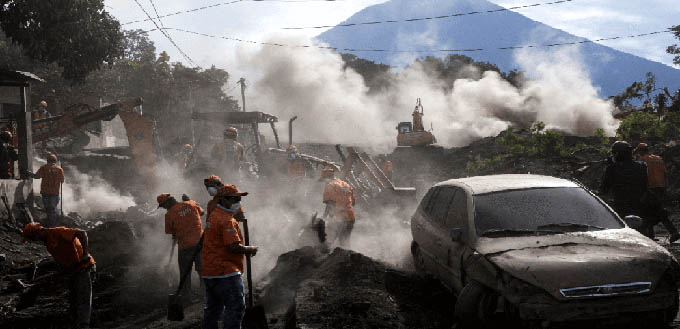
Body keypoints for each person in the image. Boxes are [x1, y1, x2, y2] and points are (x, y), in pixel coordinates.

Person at [201, 184, 258, 329]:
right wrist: (250, 249)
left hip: (210, 272)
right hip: (225, 272)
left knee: (213, 311)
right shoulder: (226, 220)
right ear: (224, 200)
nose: (238, 202)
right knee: (236, 307)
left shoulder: (213, 216)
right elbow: (232, 246)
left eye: (239, 198)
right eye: (236, 198)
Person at [22, 222, 95, 329]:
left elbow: (82, 233)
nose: (34, 241)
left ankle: (83, 325)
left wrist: (84, 254)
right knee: (74, 301)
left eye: (33, 238)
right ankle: (76, 324)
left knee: (83, 299)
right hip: (73, 271)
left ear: (37, 233)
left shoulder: (57, 232)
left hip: (84, 267)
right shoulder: (48, 243)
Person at [157, 193, 204, 302]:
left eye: (163, 205)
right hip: (200, 244)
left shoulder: (169, 215)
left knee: (185, 273)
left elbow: (171, 232)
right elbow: (202, 213)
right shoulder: (191, 203)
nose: (163, 208)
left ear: (168, 202)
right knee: (202, 269)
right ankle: (205, 293)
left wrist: (176, 233)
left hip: (185, 247)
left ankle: (187, 296)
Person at [635, 143, 680, 242]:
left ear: (641, 151)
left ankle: (672, 232)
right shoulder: (658, 159)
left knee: (649, 211)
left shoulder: (642, 160)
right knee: (654, 211)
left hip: (650, 188)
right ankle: (652, 235)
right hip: (661, 187)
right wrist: (666, 188)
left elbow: (640, 176)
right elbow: (665, 174)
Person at [600, 141, 649, 232]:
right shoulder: (642, 166)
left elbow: (604, 188)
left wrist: (608, 167)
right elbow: (645, 186)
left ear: (617, 154)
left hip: (621, 206)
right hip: (639, 205)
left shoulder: (612, 168)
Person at [321, 168, 356, 247]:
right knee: (345, 241)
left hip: (339, 217)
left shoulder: (329, 185)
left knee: (328, 239)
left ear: (326, 178)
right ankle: (348, 257)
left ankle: (325, 256)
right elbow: (353, 202)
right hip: (350, 217)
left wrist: (323, 218)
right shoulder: (346, 184)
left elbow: (330, 203)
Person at [31, 154, 65, 227]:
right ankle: (52, 224)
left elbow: (37, 176)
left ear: (47, 160)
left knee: (47, 208)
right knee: (52, 208)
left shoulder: (44, 168)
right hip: (54, 192)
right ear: (55, 161)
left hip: (45, 191)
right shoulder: (59, 169)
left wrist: (29, 173)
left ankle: (50, 223)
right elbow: (62, 180)